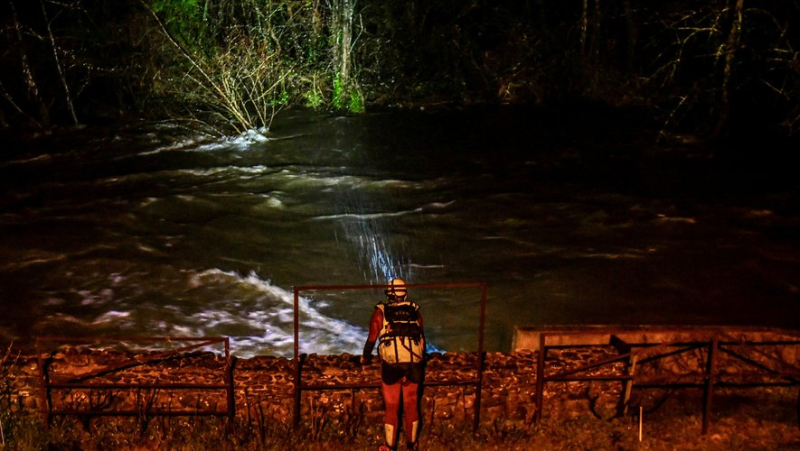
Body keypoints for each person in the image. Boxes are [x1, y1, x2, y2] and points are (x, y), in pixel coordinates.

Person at [362, 277, 425, 451]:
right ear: (405, 293)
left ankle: (389, 446)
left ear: (388, 293)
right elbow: (421, 340)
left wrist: (364, 359)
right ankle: (412, 445)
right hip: (414, 364)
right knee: (412, 403)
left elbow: (371, 340)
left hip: (392, 366)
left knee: (392, 407)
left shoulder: (380, 312)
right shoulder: (415, 311)